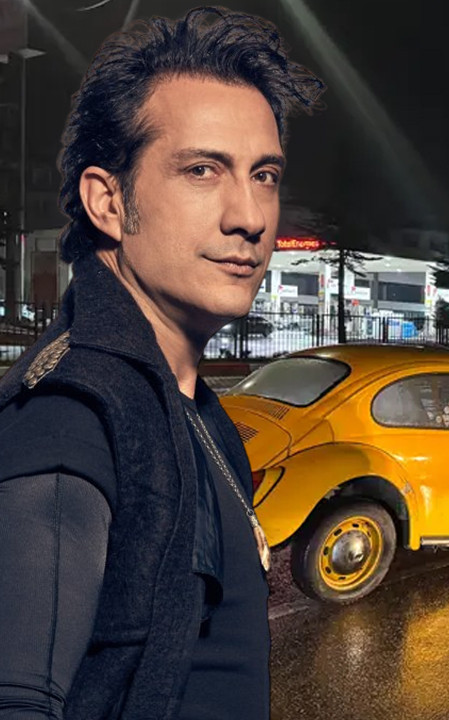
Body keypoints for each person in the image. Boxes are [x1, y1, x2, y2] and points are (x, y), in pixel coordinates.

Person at [0, 7, 323, 719]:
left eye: (263, 174)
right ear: (108, 202)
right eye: (202, 170)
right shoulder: (72, 419)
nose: (250, 216)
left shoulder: (194, 411)